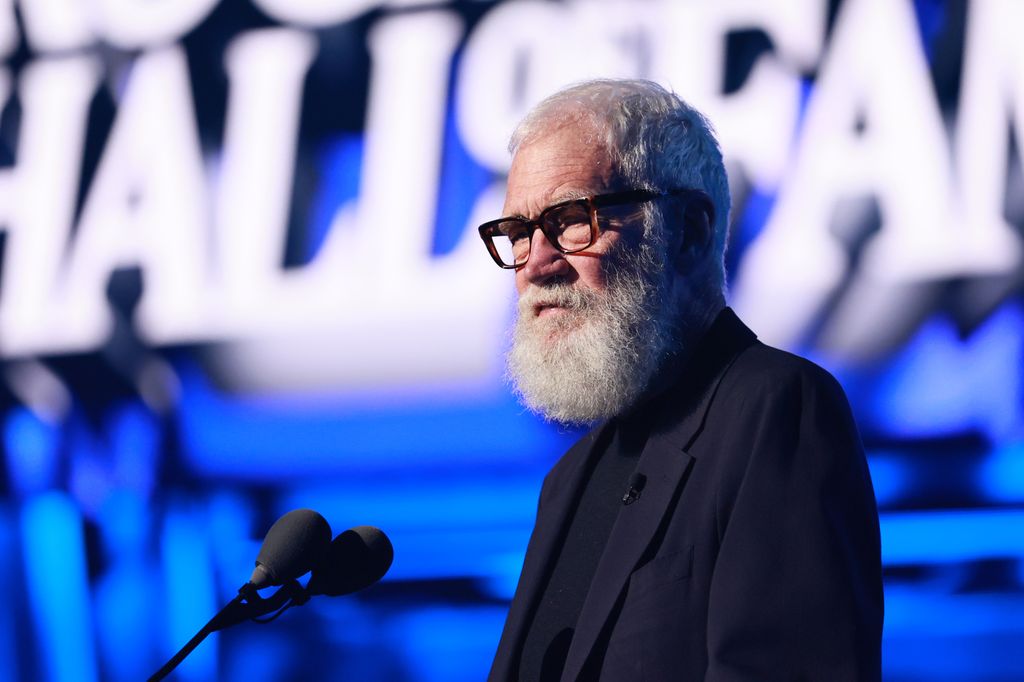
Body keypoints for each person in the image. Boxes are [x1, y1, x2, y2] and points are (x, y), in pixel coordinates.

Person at [478, 79, 883, 681]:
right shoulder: (567, 480)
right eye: (518, 233)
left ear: (688, 231)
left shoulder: (777, 408)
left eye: (571, 221)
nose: (536, 263)